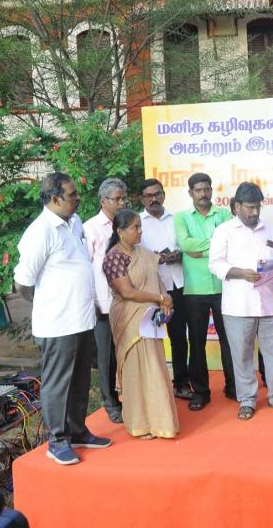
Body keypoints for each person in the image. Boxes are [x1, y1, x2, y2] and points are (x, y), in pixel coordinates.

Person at [15, 172, 111, 465]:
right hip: (57, 323)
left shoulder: (75, 222)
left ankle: (78, 430)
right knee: (58, 383)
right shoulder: (40, 231)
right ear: (55, 199)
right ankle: (56, 440)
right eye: (72, 194)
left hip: (82, 319)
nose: (78, 197)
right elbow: (23, 281)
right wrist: (47, 304)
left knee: (80, 379)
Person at [208, 182, 273, 420]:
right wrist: (241, 273)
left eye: (258, 207)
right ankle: (247, 399)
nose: (255, 212)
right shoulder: (224, 231)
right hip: (238, 305)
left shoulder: (268, 229)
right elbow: (215, 264)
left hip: (269, 303)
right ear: (236, 206)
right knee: (242, 354)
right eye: (250, 207)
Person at [103, 210, 180, 440]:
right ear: (120, 231)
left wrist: (166, 299)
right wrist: (158, 299)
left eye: (140, 227)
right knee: (136, 370)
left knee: (155, 366)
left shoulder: (144, 254)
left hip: (149, 319)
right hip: (128, 318)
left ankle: (160, 421)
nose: (140, 231)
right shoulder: (113, 257)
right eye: (134, 228)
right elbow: (127, 292)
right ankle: (139, 423)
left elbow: (157, 283)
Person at [173, 172, 237, 411]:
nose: (203, 194)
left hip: (223, 286)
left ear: (211, 190)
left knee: (228, 340)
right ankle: (200, 392)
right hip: (195, 289)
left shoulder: (224, 214)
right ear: (190, 193)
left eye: (206, 189)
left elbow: (230, 244)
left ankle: (233, 387)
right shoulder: (181, 218)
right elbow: (185, 245)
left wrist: (200, 250)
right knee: (196, 342)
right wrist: (216, 244)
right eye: (198, 190)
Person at [139, 178, 191, 400]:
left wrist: (179, 254)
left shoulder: (178, 218)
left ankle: (182, 382)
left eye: (157, 194)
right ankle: (155, 388)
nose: (154, 199)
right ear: (141, 199)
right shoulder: (137, 221)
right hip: (153, 289)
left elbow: (187, 244)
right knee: (153, 338)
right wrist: (155, 259)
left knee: (181, 337)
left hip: (180, 283)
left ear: (164, 194)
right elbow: (134, 253)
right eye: (149, 195)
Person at [82, 177, 127, 424]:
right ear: (103, 201)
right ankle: (110, 402)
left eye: (123, 198)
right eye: (116, 199)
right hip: (103, 304)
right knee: (107, 356)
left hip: (128, 302)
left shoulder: (128, 224)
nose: (121, 203)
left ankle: (131, 394)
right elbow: (86, 268)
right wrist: (93, 302)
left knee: (128, 351)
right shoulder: (91, 228)